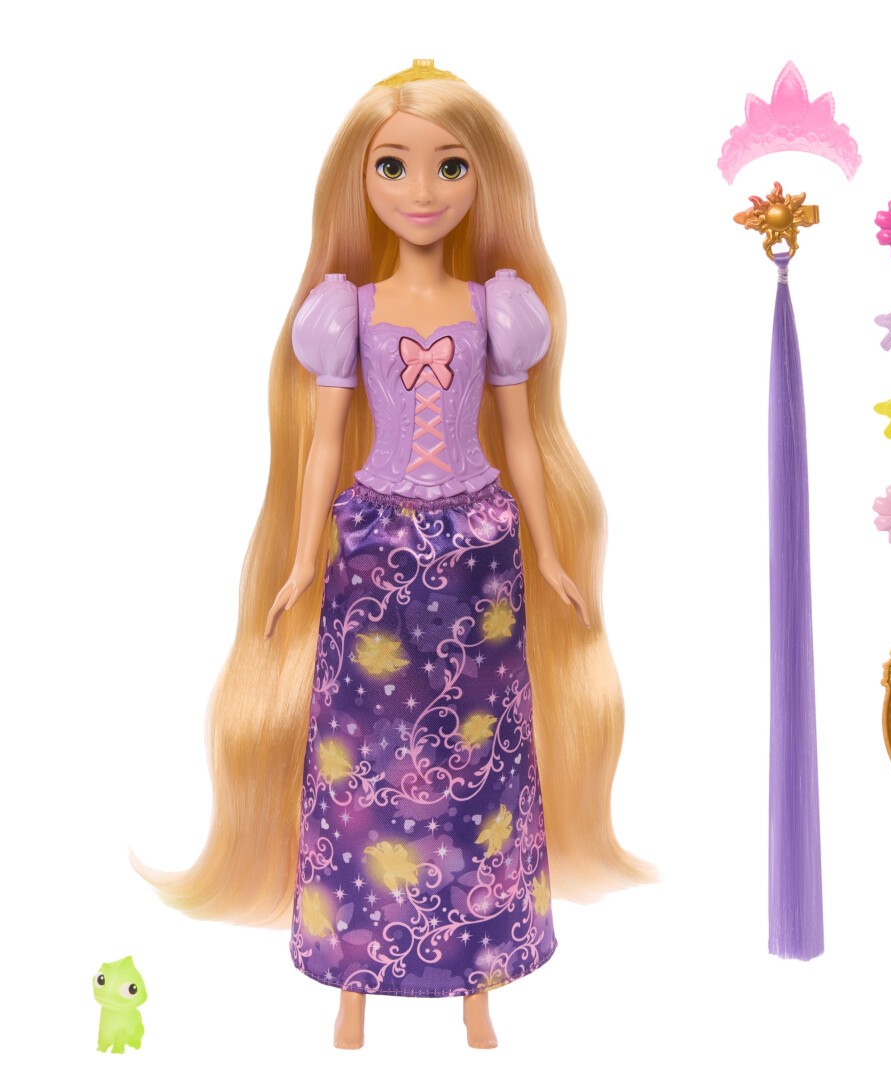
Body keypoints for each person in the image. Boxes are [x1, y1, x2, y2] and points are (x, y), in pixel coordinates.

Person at [138, 59, 651, 1050]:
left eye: (450, 166)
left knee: (483, 763)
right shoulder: (349, 310)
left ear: (482, 179)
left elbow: (521, 440)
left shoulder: (498, 307)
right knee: (358, 766)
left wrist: (548, 551)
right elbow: (321, 445)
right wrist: (300, 560)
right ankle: (354, 983)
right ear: (360, 179)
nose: (422, 190)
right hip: (374, 548)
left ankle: (477, 983)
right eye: (394, 166)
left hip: (479, 550)